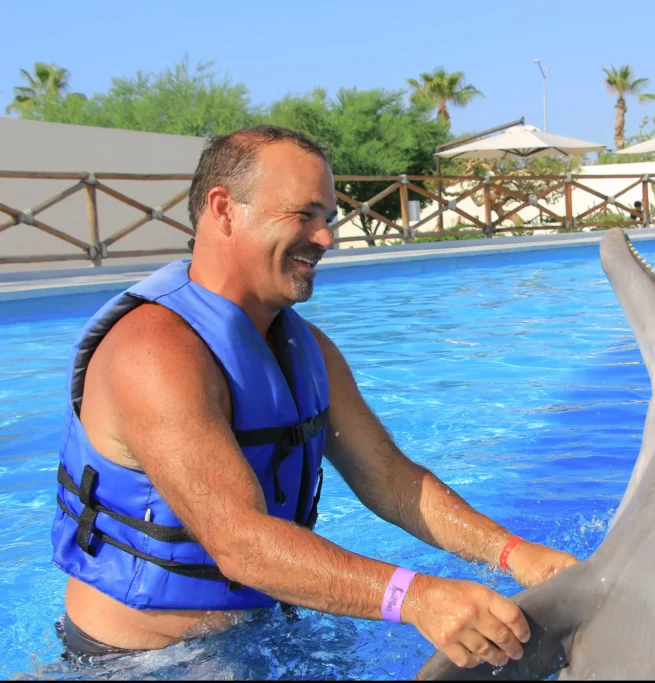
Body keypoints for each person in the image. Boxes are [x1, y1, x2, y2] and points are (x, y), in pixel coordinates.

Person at [50, 125, 579, 669]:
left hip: (267, 635)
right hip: (139, 663)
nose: (326, 238)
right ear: (224, 209)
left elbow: (391, 479)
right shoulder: (153, 351)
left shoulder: (306, 347)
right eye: (303, 215)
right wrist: (415, 598)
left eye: (327, 218)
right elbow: (239, 543)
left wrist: (513, 553)